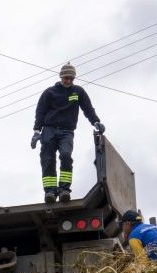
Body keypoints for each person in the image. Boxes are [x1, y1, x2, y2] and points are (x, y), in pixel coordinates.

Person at [31, 62, 105, 204]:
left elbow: (88, 109)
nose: (69, 81)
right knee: (48, 160)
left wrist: (95, 122)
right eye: (66, 78)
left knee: (66, 155)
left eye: (71, 79)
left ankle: (64, 190)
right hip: (49, 129)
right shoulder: (49, 93)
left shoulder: (78, 92)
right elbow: (40, 112)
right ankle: (50, 192)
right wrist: (36, 130)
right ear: (61, 77)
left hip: (67, 131)